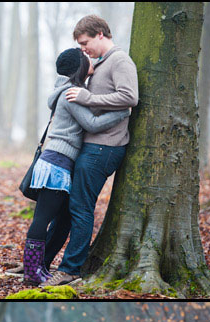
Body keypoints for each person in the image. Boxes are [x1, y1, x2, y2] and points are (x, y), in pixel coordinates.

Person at [21, 48, 131, 285]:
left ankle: (37, 266)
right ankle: (32, 272)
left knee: (60, 218)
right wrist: (122, 112)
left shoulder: (64, 91)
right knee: (42, 218)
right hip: (57, 162)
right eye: (86, 59)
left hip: (55, 160)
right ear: (80, 67)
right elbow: (91, 124)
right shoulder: (72, 94)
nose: (92, 61)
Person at [45, 15, 139, 287]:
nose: (83, 49)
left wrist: (88, 97)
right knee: (66, 208)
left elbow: (130, 97)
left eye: (85, 43)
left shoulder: (120, 61)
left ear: (100, 34)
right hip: (89, 145)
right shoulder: (100, 64)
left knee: (80, 207)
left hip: (104, 147)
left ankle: (71, 269)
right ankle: (40, 262)